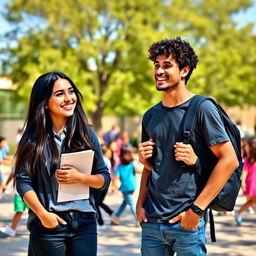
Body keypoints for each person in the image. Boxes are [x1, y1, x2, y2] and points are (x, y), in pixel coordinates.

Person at [136, 37, 239, 256]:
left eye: (167, 65)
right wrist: (139, 204)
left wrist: (196, 210)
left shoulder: (202, 108)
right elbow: (149, 167)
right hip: (152, 222)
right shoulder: (150, 115)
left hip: (186, 222)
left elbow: (229, 160)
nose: (159, 71)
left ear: (184, 71)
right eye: (156, 65)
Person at [14, 71, 110, 256]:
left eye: (71, 92)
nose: (68, 98)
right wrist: (43, 215)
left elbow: (104, 178)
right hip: (49, 224)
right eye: (59, 94)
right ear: (44, 103)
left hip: (85, 223)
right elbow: (23, 182)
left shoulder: (87, 134)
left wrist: (80, 177)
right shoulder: (32, 139)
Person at [111, 147, 142, 226]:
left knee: (130, 202)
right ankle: (117, 217)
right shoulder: (132, 164)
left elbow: (116, 178)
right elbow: (138, 171)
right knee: (126, 202)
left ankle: (137, 218)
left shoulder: (119, 167)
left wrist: (114, 186)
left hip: (125, 188)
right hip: (132, 186)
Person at [234, 136, 256, 225]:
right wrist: (243, 183)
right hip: (251, 183)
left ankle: (238, 212)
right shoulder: (247, 160)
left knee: (253, 201)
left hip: (254, 183)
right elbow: (245, 172)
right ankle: (238, 212)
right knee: (253, 201)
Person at [93, 143, 113, 229]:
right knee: (99, 202)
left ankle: (100, 222)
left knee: (96, 203)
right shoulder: (108, 160)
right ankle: (110, 212)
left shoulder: (101, 160)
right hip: (106, 183)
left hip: (99, 183)